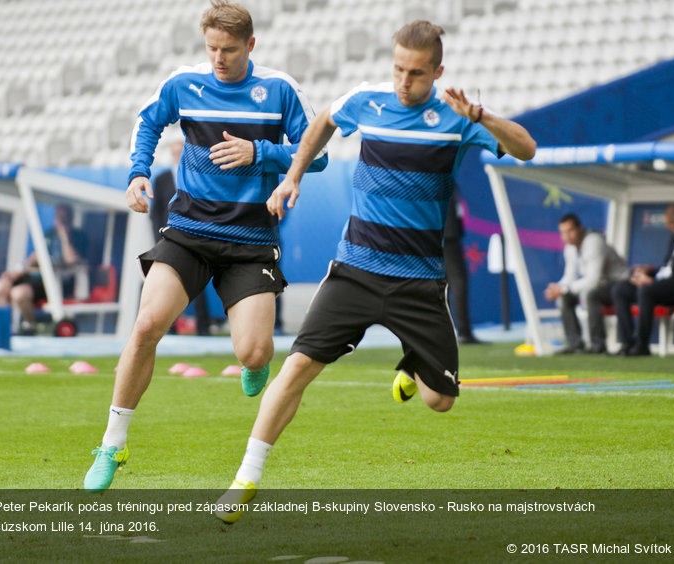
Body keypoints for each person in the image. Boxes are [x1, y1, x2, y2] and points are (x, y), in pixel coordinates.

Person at [214, 20, 536, 522]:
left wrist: (481, 114)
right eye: (398, 70)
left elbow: (526, 148)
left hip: (419, 282)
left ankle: (412, 365)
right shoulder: (368, 100)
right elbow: (322, 120)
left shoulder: (457, 120)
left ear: (437, 72)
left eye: (416, 74)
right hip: (355, 271)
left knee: (439, 401)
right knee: (298, 366)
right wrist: (292, 175)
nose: (404, 82)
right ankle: (245, 477)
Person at [83, 0, 328, 493]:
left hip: (252, 240)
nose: (219, 58)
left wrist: (259, 152)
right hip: (189, 232)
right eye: (212, 48)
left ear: (251, 46)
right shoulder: (183, 84)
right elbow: (147, 122)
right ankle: (113, 442)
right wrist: (137, 173)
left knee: (256, 353)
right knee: (147, 323)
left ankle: (252, 365)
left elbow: (315, 156)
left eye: (230, 50)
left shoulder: (279, 90)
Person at [0, 204, 88, 335]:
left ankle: (29, 326)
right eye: (58, 217)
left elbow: (71, 260)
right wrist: (15, 273)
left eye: (64, 217)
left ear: (70, 218)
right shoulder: (49, 234)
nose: (60, 220)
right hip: (32, 277)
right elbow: (34, 257)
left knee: (18, 293)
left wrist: (64, 236)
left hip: (53, 283)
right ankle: (4, 329)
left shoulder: (78, 236)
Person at [543, 213, 629, 355]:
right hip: (600, 285)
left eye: (570, 231)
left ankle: (598, 344)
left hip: (618, 283)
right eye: (563, 232)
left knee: (591, 294)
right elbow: (569, 277)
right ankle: (575, 344)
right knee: (564, 298)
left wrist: (564, 289)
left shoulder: (594, 241)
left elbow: (593, 279)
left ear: (580, 229)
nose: (567, 236)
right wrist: (557, 288)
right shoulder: (570, 248)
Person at [152, 139, 211, 336]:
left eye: (181, 151)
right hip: (169, 238)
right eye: (175, 151)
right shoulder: (161, 179)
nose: (178, 155)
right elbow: (156, 212)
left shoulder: (198, 175)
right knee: (168, 284)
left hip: (195, 236)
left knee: (198, 280)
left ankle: (203, 326)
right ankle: (169, 327)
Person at [610, 202, 674, 356]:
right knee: (621, 289)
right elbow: (667, 268)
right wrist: (649, 271)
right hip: (661, 284)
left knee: (646, 290)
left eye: (671, 223)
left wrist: (653, 282)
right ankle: (627, 342)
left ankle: (641, 345)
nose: (668, 227)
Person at [443, 187, 482, 344]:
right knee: (458, 281)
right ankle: (463, 331)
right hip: (447, 234)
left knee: (444, 284)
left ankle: (444, 331)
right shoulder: (442, 173)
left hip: (439, 233)